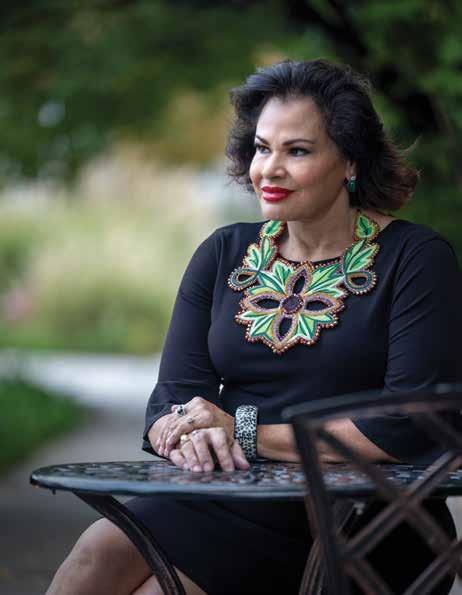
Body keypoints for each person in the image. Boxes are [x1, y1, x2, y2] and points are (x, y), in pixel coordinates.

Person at [47, 59, 461, 595]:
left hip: (362, 514)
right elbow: (172, 396)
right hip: (233, 494)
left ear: (350, 162)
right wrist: (186, 434)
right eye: (263, 148)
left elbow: (410, 423)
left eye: (298, 151)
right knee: (94, 552)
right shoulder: (223, 252)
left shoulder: (416, 258)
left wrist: (240, 430)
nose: (270, 169)